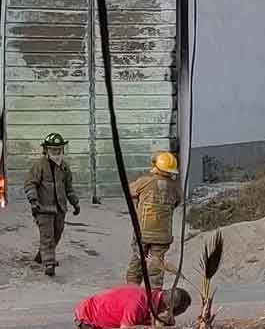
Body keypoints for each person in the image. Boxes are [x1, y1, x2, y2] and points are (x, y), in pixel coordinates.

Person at [24, 132, 80, 276]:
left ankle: (42, 255)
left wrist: (75, 203)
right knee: (47, 236)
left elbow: (69, 188)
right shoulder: (39, 166)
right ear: (46, 150)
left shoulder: (65, 167)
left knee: (57, 232)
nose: (56, 152)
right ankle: (49, 263)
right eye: (53, 149)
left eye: (59, 149)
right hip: (43, 208)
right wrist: (33, 201)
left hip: (60, 208)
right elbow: (30, 184)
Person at [125, 151, 183, 287]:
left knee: (137, 261)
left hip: (142, 233)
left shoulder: (145, 182)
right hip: (163, 235)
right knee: (156, 265)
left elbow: (129, 191)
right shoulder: (175, 187)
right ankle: (155, 295)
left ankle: (132, 291)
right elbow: (177, 202)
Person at [73, 285, 191, 328]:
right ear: (167, 309)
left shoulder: (153, 297)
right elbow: (126, 327)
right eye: (173, 314)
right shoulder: (138, 304)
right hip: (87, 318)